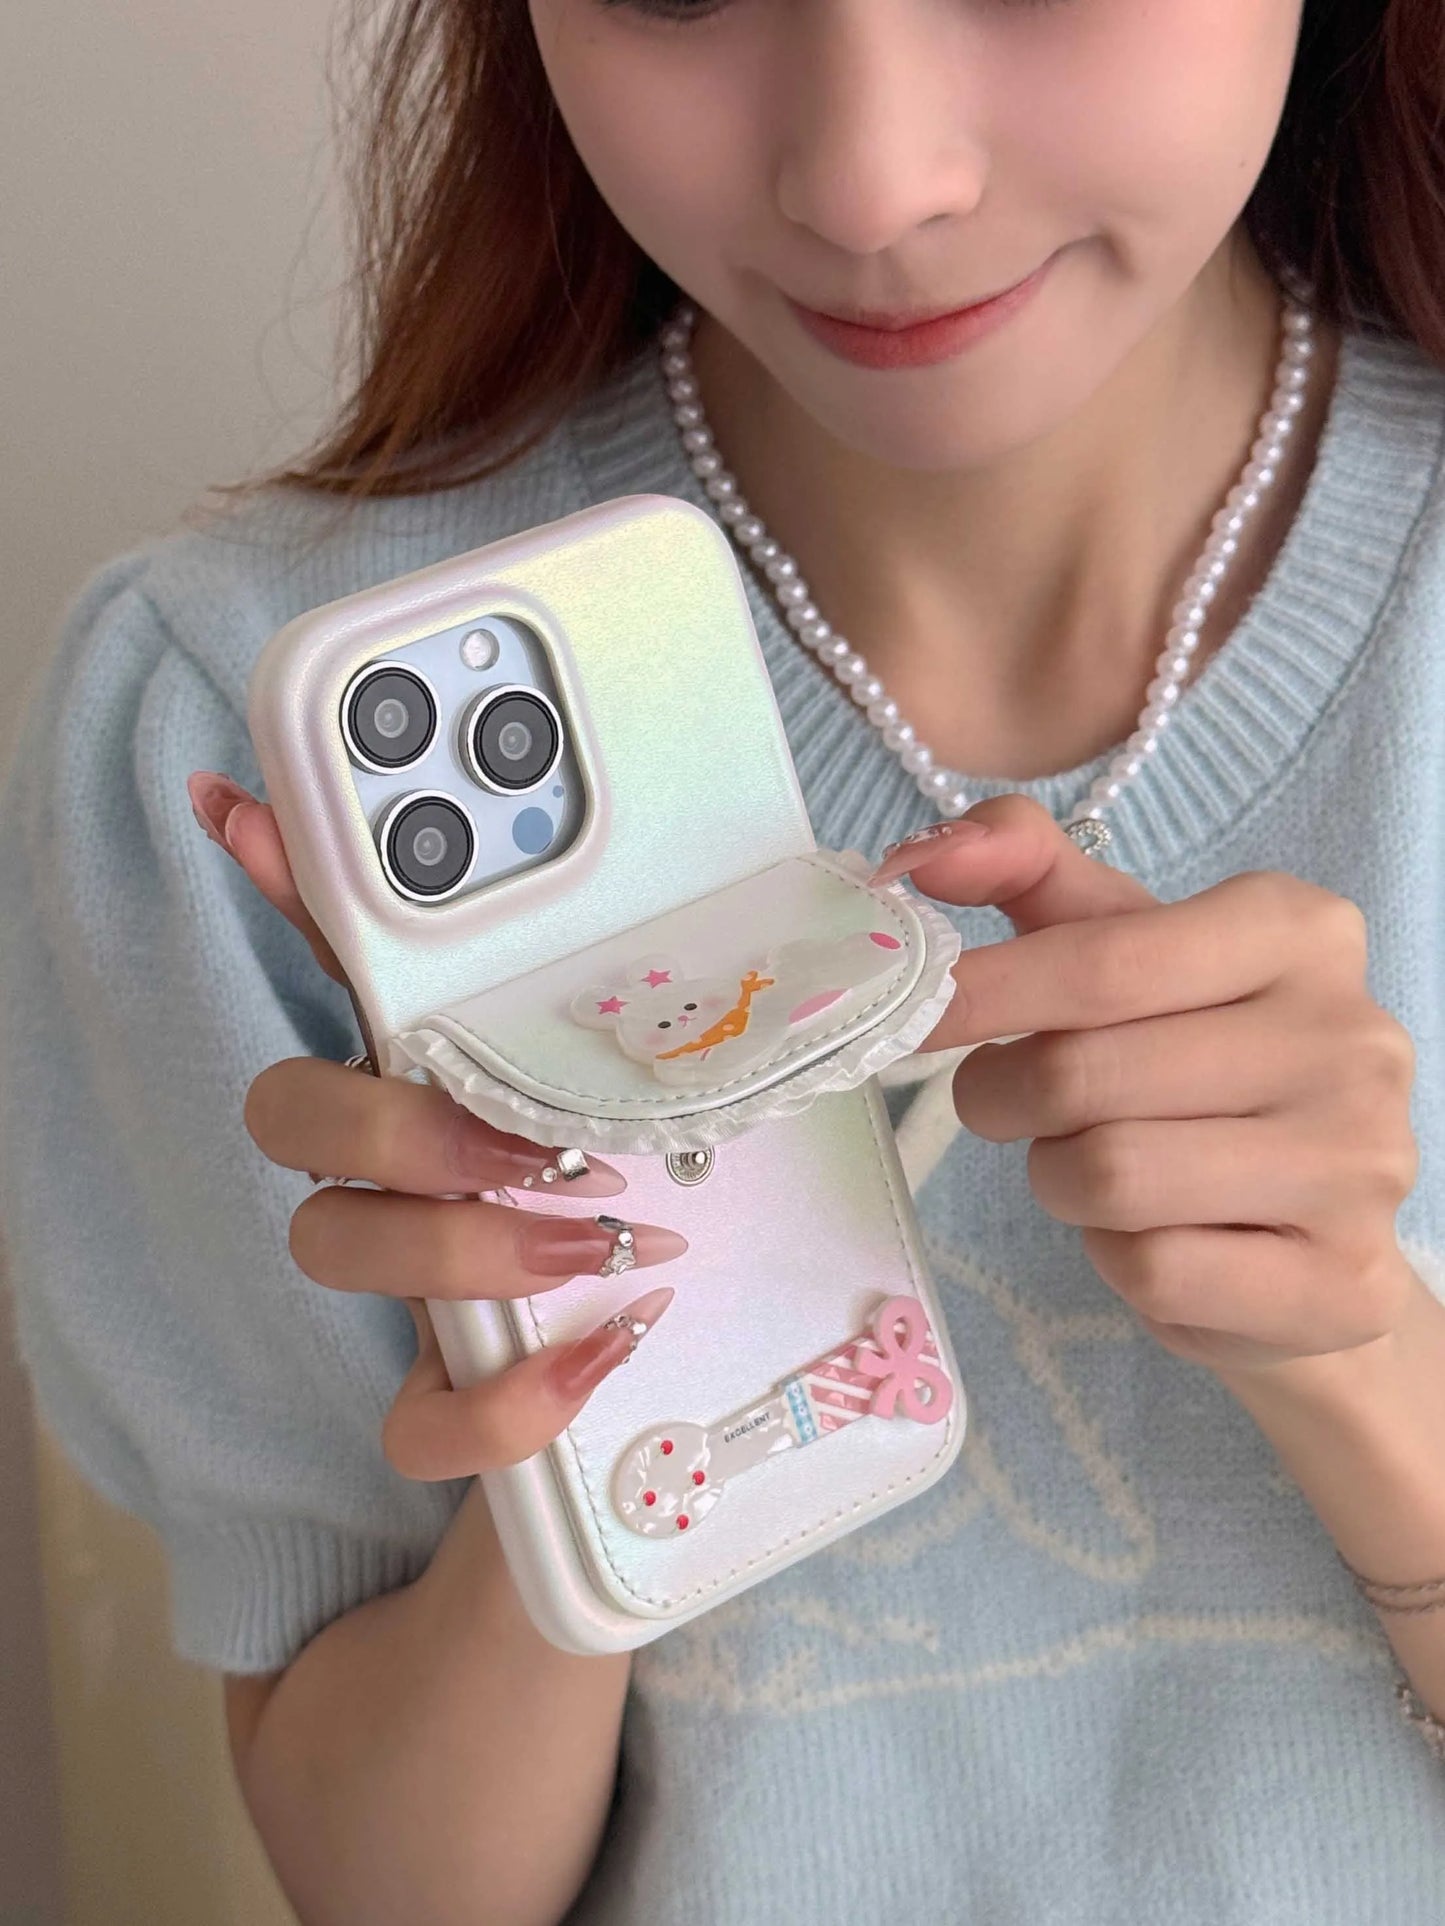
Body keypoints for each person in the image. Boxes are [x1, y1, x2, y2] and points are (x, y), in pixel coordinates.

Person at [3, 0, 1445, 1919]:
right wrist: (570, 1422)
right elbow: (393, 1892)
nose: (869, 182)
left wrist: (1367, 1361)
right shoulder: (246, 736)